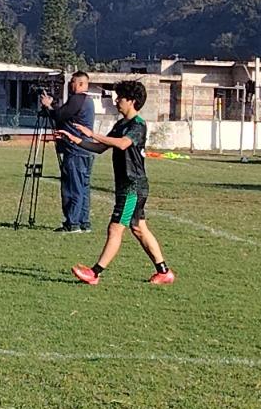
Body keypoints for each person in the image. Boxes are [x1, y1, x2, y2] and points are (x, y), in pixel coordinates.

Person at [59, 79, 175, 286]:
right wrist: (75, 140)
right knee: (139, 228)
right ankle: (164, 272)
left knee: (115, 229)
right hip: (126, 186)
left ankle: (94, 273)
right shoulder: (121, 125)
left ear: (131, 101)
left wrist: (93, 133)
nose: (116, 101)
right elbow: (100, 147)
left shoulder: (137, 125)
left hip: (133, 186)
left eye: (120, 97)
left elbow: (122, 144)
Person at [40, 71, 95, 232]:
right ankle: (84, 222)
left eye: (72, 82)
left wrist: (48, 106)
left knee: (73, 187)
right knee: (83, 187)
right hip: (86, 149)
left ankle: (73, 223)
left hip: (75, 150)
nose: (70, 85)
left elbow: (60, 115)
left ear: (80, 84)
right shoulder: (89, 101)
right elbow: (66, 115)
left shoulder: (78, 99)